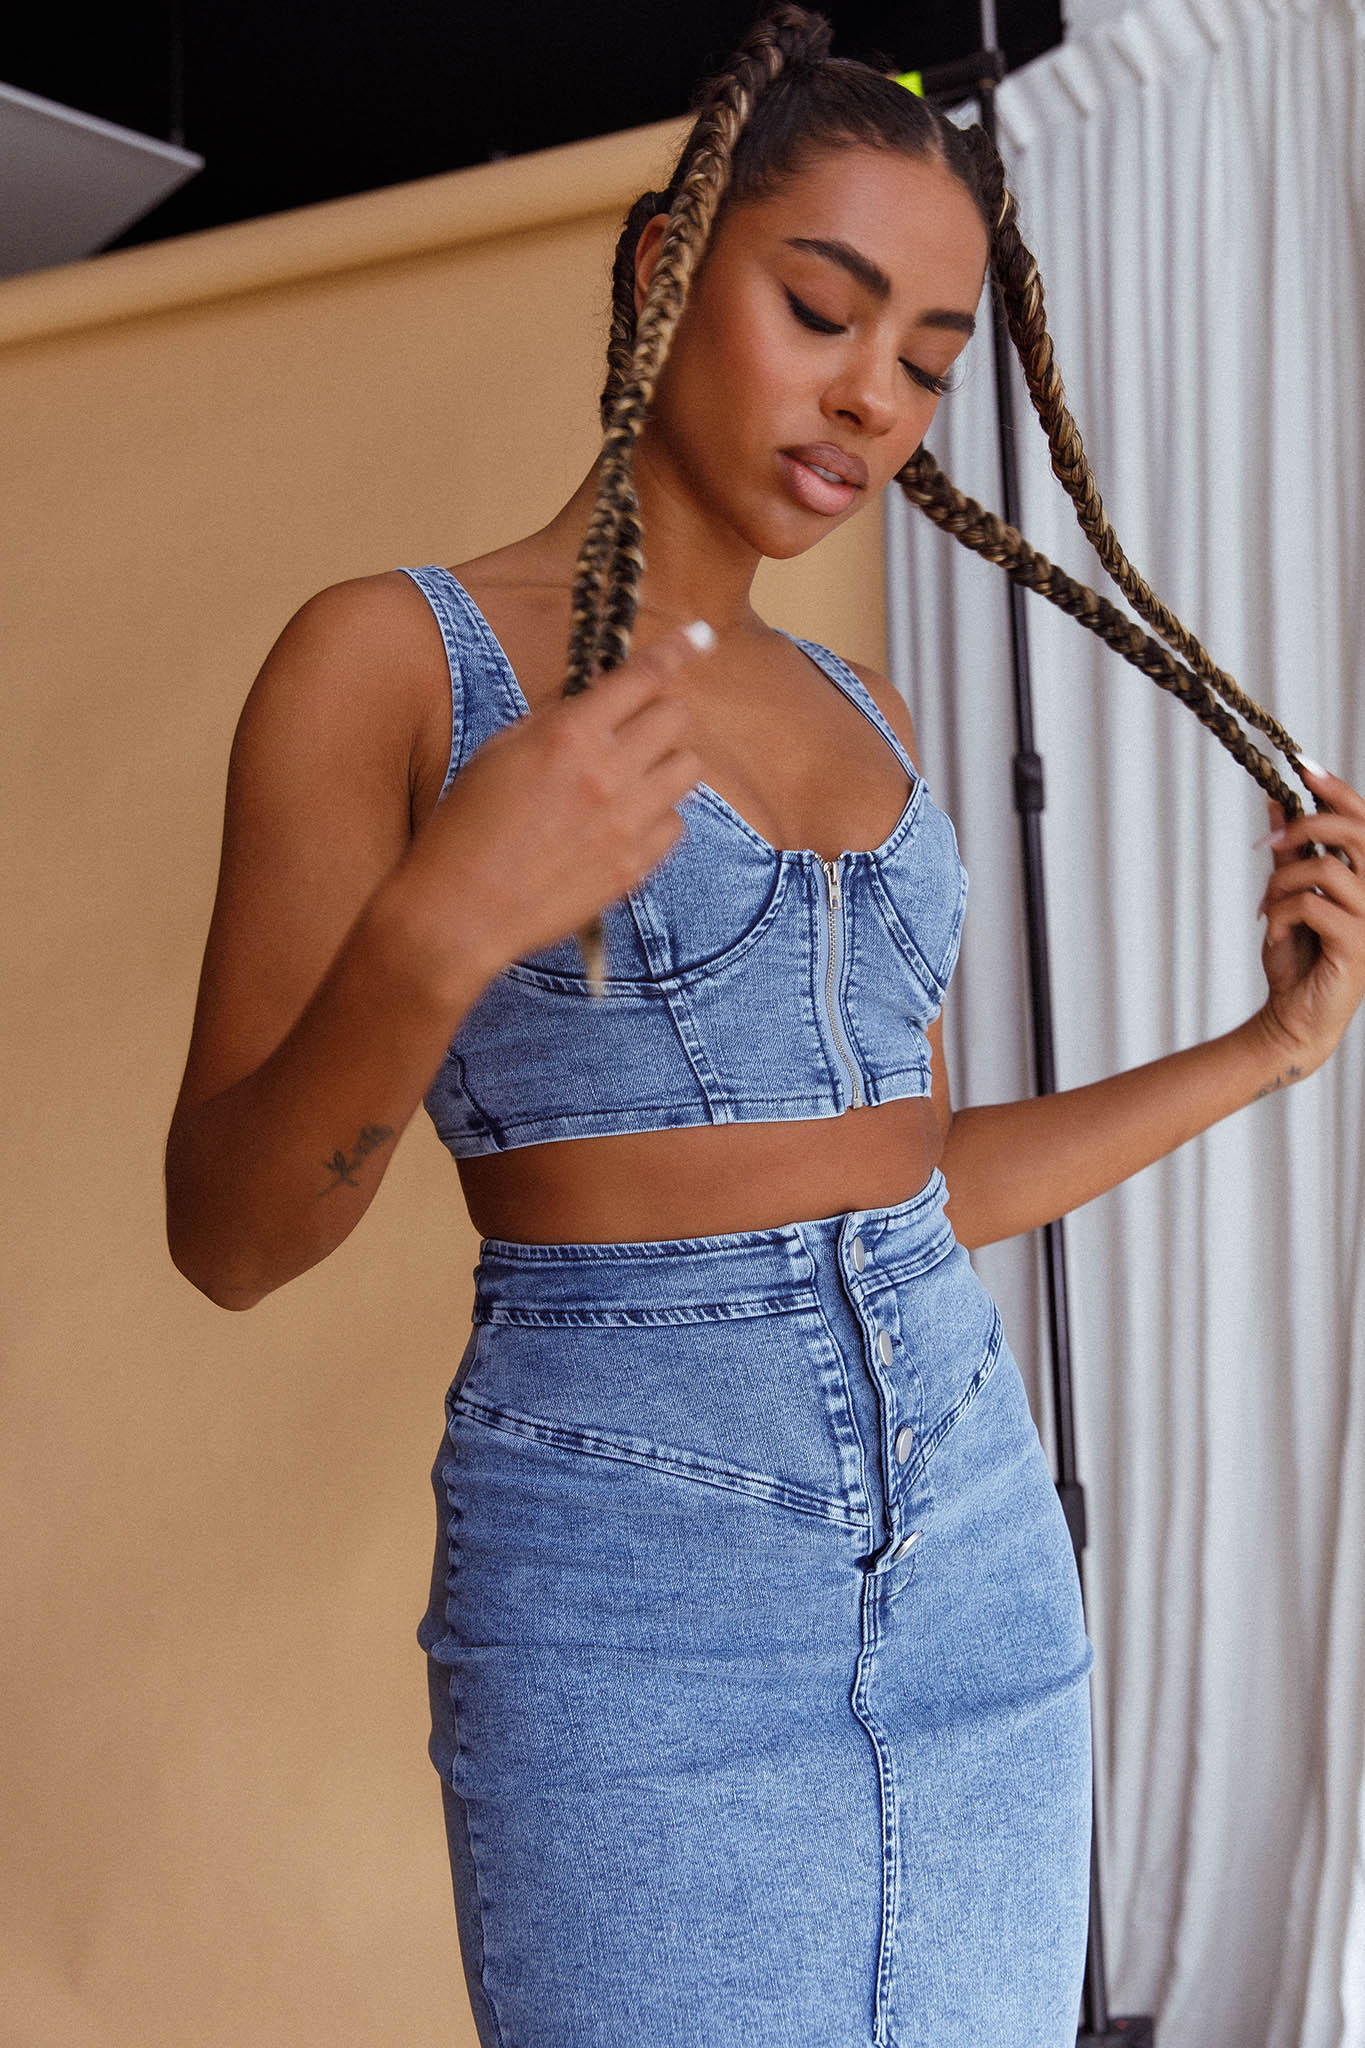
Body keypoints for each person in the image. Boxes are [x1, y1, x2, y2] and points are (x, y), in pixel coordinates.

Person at [164, 8, 1365, 2044]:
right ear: (665, 265)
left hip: (976, 1563)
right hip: (635, 1604)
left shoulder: (866, 714)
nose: (871, 395)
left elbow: (906, 1179)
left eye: (927, 359)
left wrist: (1268, 1050)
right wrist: (441, 927)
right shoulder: (390, 661)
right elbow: (229, 1233)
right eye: (821, 309)